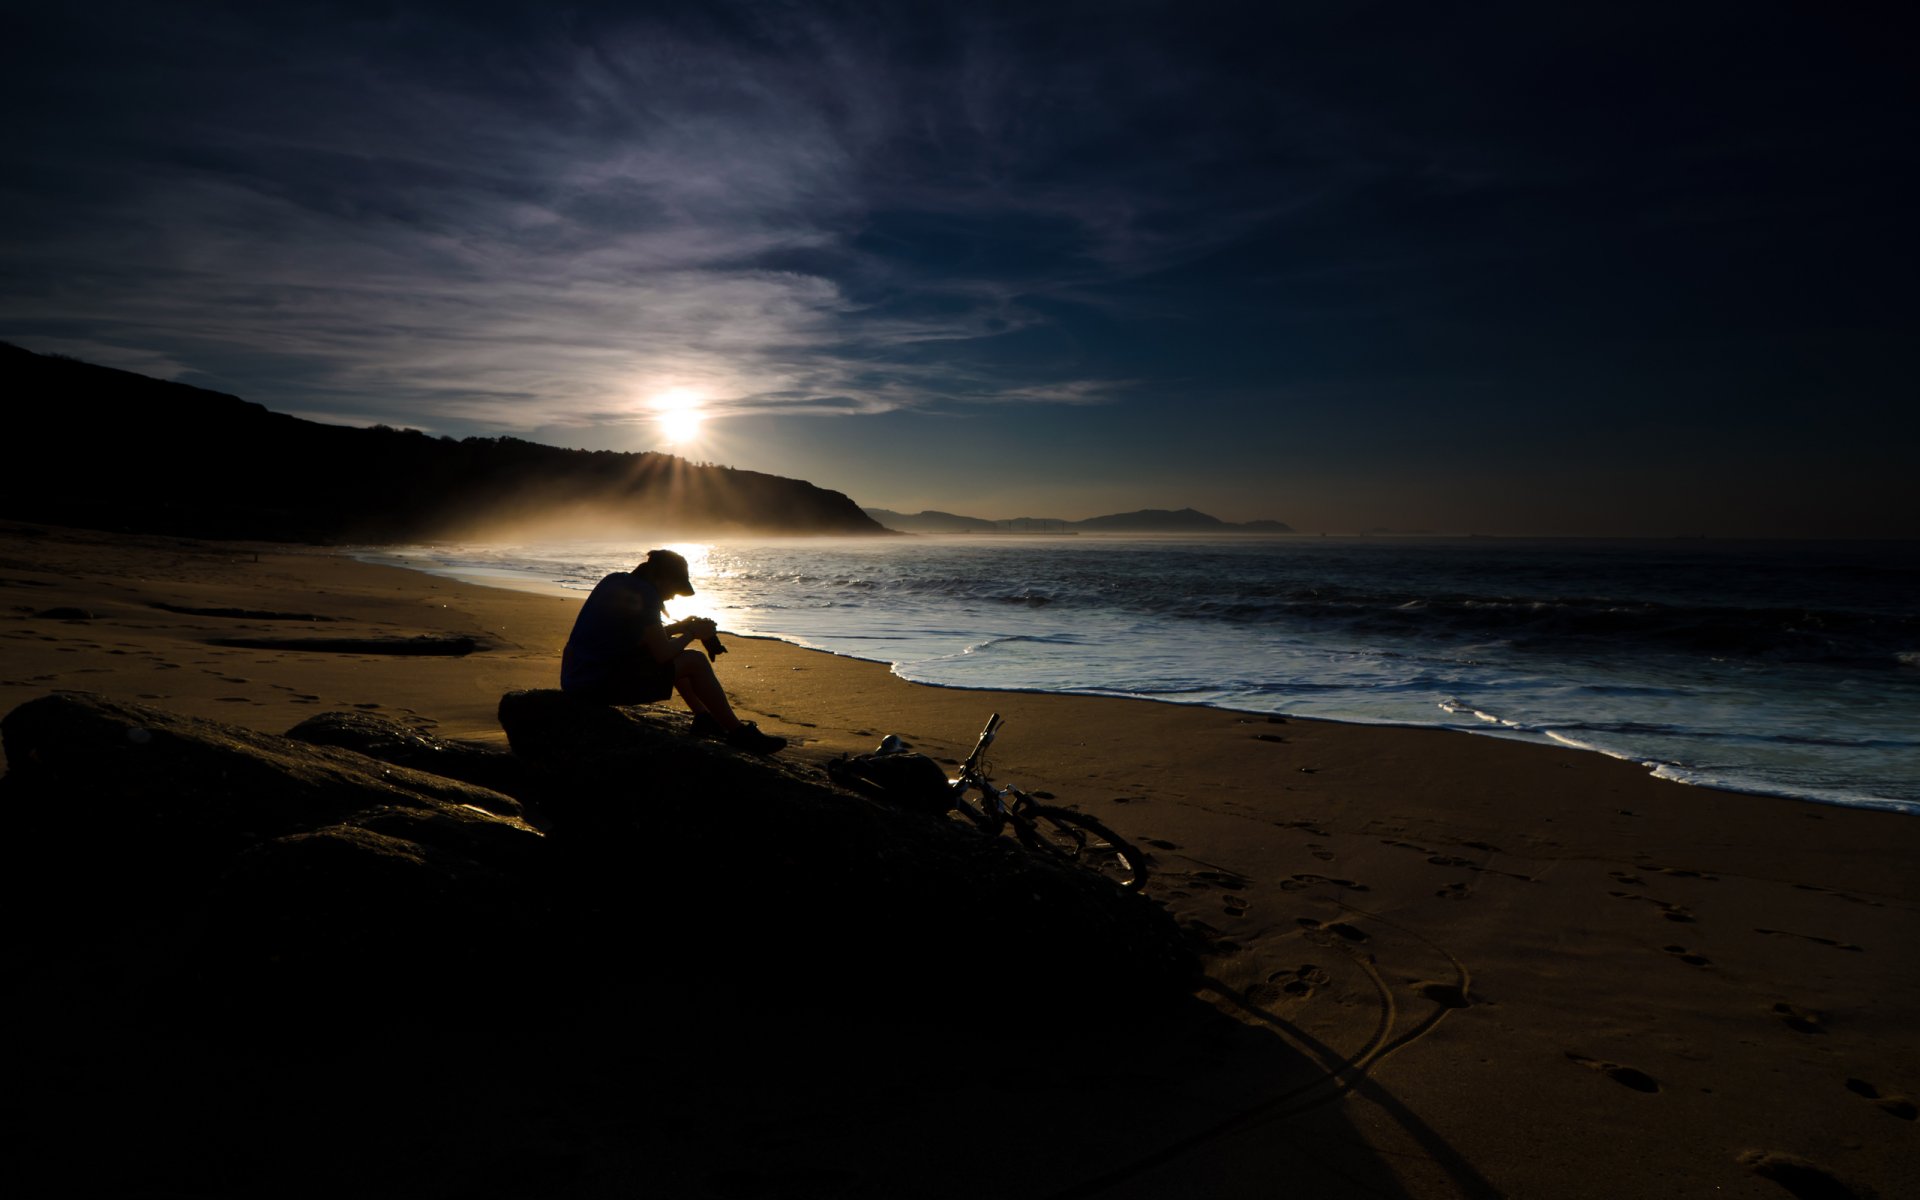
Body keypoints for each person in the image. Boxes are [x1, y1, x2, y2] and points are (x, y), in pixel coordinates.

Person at [560, 549, 786, 753]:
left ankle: (703, 718)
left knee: (678, 656)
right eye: (675, 589)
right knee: (694, 661)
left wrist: (679, 628)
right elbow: (663, 654)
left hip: (576, 677)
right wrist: (692, 634)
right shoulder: (646, 596)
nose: (673, 596)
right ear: (662, 580)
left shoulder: (617, 581)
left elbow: (637, 639)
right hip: (598, 685)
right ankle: (739, 734)